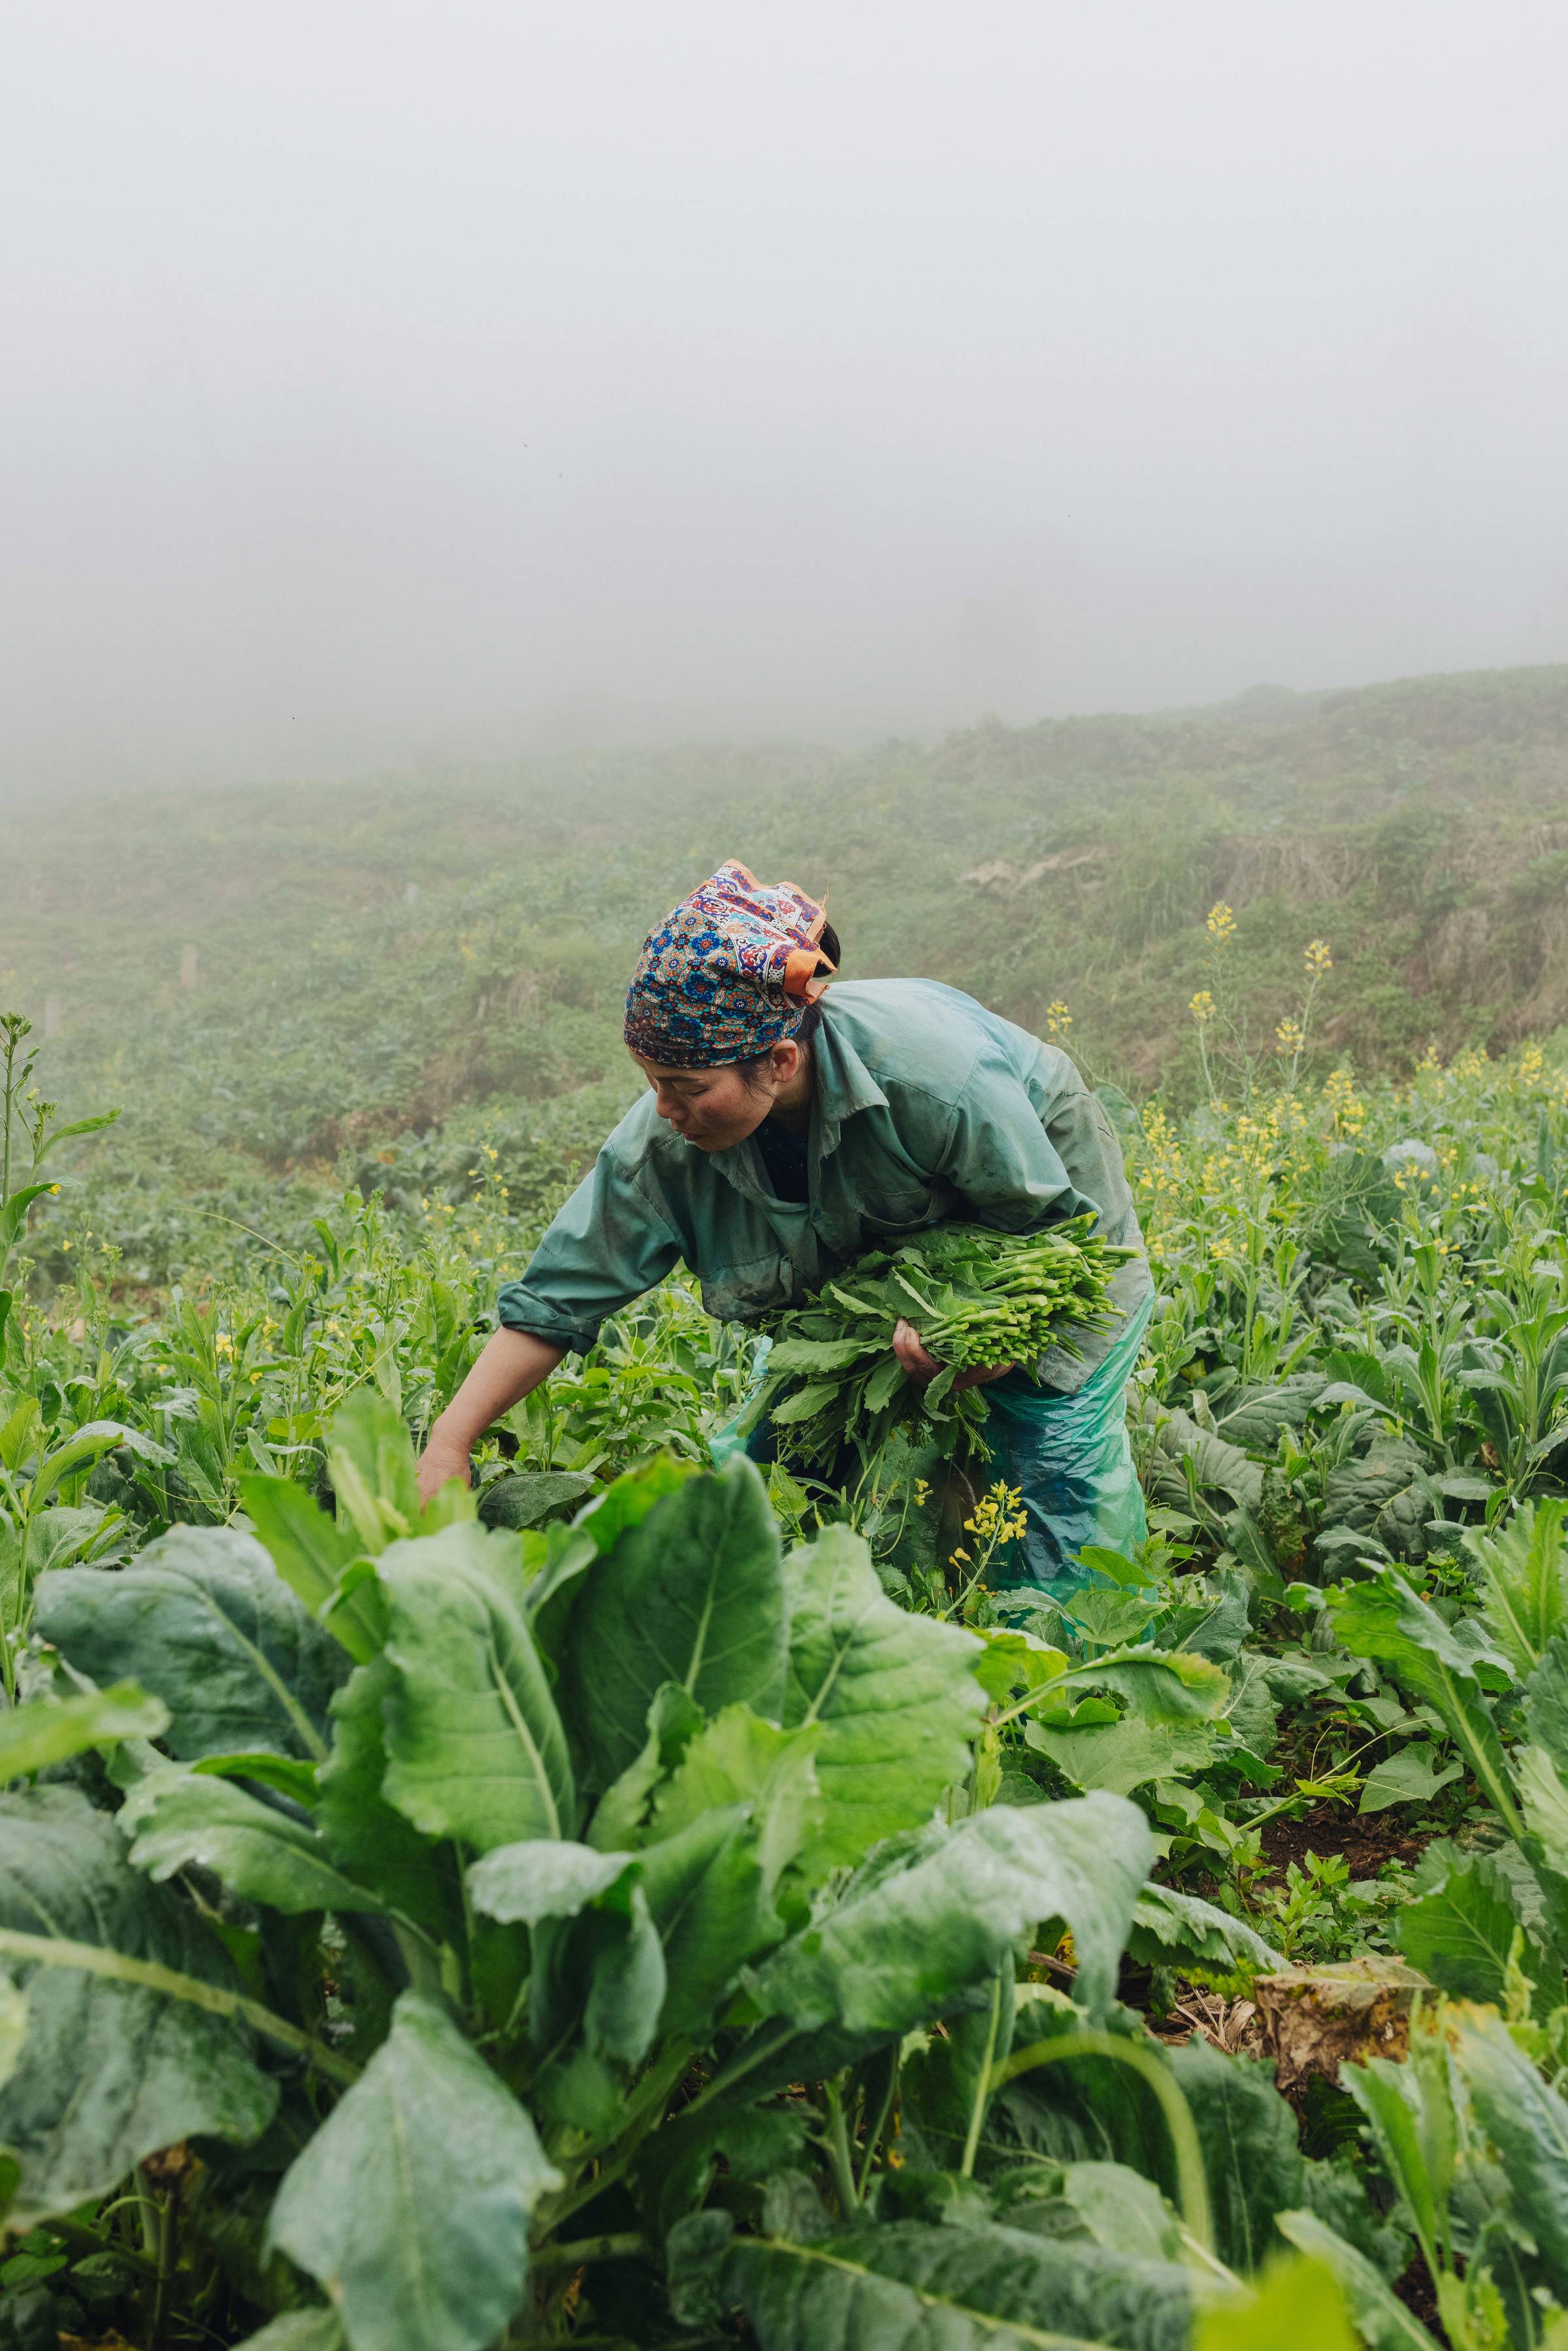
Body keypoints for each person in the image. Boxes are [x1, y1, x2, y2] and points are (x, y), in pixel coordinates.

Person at [416, 860, 1152, 1590]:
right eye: (651, 1082)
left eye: (687, 1087)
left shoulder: (935, 1080)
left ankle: (1063, 1665)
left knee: (1043, 1477)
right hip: (877, 1275)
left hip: (1046, 1219)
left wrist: (989, 1348)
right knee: (779, 1472)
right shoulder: (662, 1145)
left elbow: (1055, 1235)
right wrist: (450, 1440)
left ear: (778, 1058)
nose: (665, 1109)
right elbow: (556, 1301)